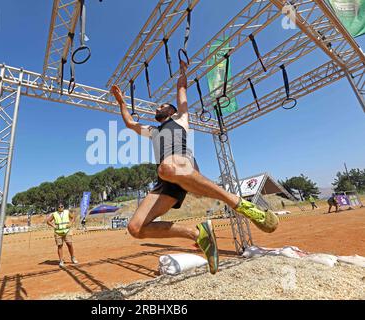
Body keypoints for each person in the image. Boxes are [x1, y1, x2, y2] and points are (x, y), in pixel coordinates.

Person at [110, 61, 279, 275]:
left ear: (171, 110)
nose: (155, 108)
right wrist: (121, 102)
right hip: (165, 180)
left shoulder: (181, 119)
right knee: (135, 228)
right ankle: (197, 235)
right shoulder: (152, 131)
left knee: (167, 167)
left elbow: (181, 89)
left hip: (182, 165)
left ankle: (240, 204)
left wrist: (182, 71)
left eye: (160, 105)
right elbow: (129, 124)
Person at [46, 203, 78, 268]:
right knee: (60, 246)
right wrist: (54, 226)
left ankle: (73, 257)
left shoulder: (67, 212)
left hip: (67, 231)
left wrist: (70, 224)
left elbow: (73, 217)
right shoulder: (54, 214)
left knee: (69, 244)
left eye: (62, 206)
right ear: (57, 207)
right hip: (58, 232)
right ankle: (61, 260)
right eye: (59, 207)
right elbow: (48, 221)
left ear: (63, 207)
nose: (60, 207)